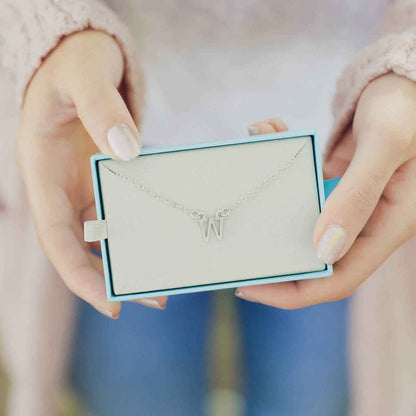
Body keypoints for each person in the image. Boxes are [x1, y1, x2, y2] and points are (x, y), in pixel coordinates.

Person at [1, 1, 416, 415]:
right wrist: (56, 28)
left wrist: (407, 69)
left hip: (336, 160)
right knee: (133, 393)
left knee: (310, 394)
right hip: (122, 153)